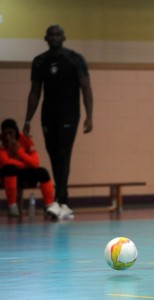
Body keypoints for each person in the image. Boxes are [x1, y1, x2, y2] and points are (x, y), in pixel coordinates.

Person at [23, 24, 94, 219]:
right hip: (48, 114)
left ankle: (62, 200)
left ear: (64, 38)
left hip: (69, 115)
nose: (54, 38)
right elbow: (35, 91)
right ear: (46, 38)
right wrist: (28, 119)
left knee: (64, 153)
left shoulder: (74, 59)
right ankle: (61, 200)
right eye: (51, 35)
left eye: (58, 34)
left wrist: (89, 115)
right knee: (54, 154)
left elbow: (86, 88)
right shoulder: (40, 61)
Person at [0, 118, 60, 218]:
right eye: (5, 133)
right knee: (10, 168)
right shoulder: (1, 142)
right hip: (6, 176)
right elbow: (5, 162)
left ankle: (49, 205)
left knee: (43, 172)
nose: (8, 136)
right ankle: (12, 206)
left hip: (24, 174)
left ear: (16, 132)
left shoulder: (25, 139)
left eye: (10, 133)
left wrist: (18, 151)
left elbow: (35, 163)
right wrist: (26, 164)